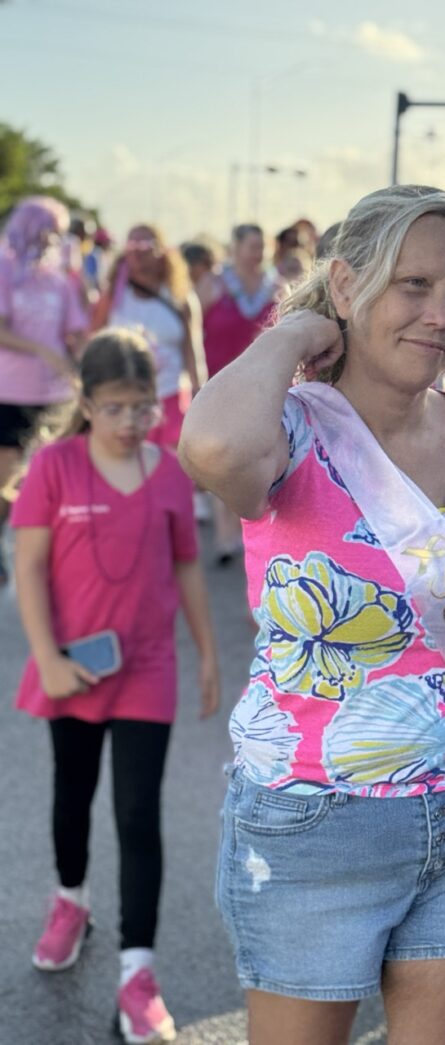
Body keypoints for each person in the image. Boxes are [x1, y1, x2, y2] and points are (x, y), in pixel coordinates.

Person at [179, 184, 445, 1045]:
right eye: (413, 286)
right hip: (313, 824)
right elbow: (212, 449)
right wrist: (300, 330)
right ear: (347, 285)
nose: (440, 316)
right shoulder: (287, 431)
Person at [12, 328, 220, 1043]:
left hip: (148, 668)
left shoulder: (168, 472)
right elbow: (29, 568)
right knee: (73, 793)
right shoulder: (54, 468)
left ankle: (138, 972)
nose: (133, 423)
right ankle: (70, 899)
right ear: (88, 402)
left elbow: (188, 564)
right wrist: (49, 658)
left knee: (138, 814)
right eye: (117, 408)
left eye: (144, 407)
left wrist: (208, 651)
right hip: (70, 663)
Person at [0, 196, 88, 585]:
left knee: (54, 479)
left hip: (56, 395)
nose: (56, 237)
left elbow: (76, 333)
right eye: (51, 228)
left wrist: (85, 364)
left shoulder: (59, 278)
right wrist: (38, 349)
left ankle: (51, 559)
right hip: (11, 391)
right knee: (6, 482)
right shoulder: (4, 268)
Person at [198, 223, 286, 563]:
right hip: (218, 386)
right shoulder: (214, 285)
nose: (258, 253)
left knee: (254, 461)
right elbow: (192, 326)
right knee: (223, 459)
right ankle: (225, 537)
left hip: (263, 388)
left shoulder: (276, 288)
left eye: (261, 247)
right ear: (233, 249)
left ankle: (256, 535)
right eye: (251, 246)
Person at [92, 224, 200, 453]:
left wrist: (200, 397)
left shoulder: (180, 297)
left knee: (170, 474)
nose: (138, 252)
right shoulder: (113, 295)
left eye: (145, 245)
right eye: (131, 245)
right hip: (120, 403)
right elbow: (93, 341)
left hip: (170, 400)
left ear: (162, 251)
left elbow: (193, 352)